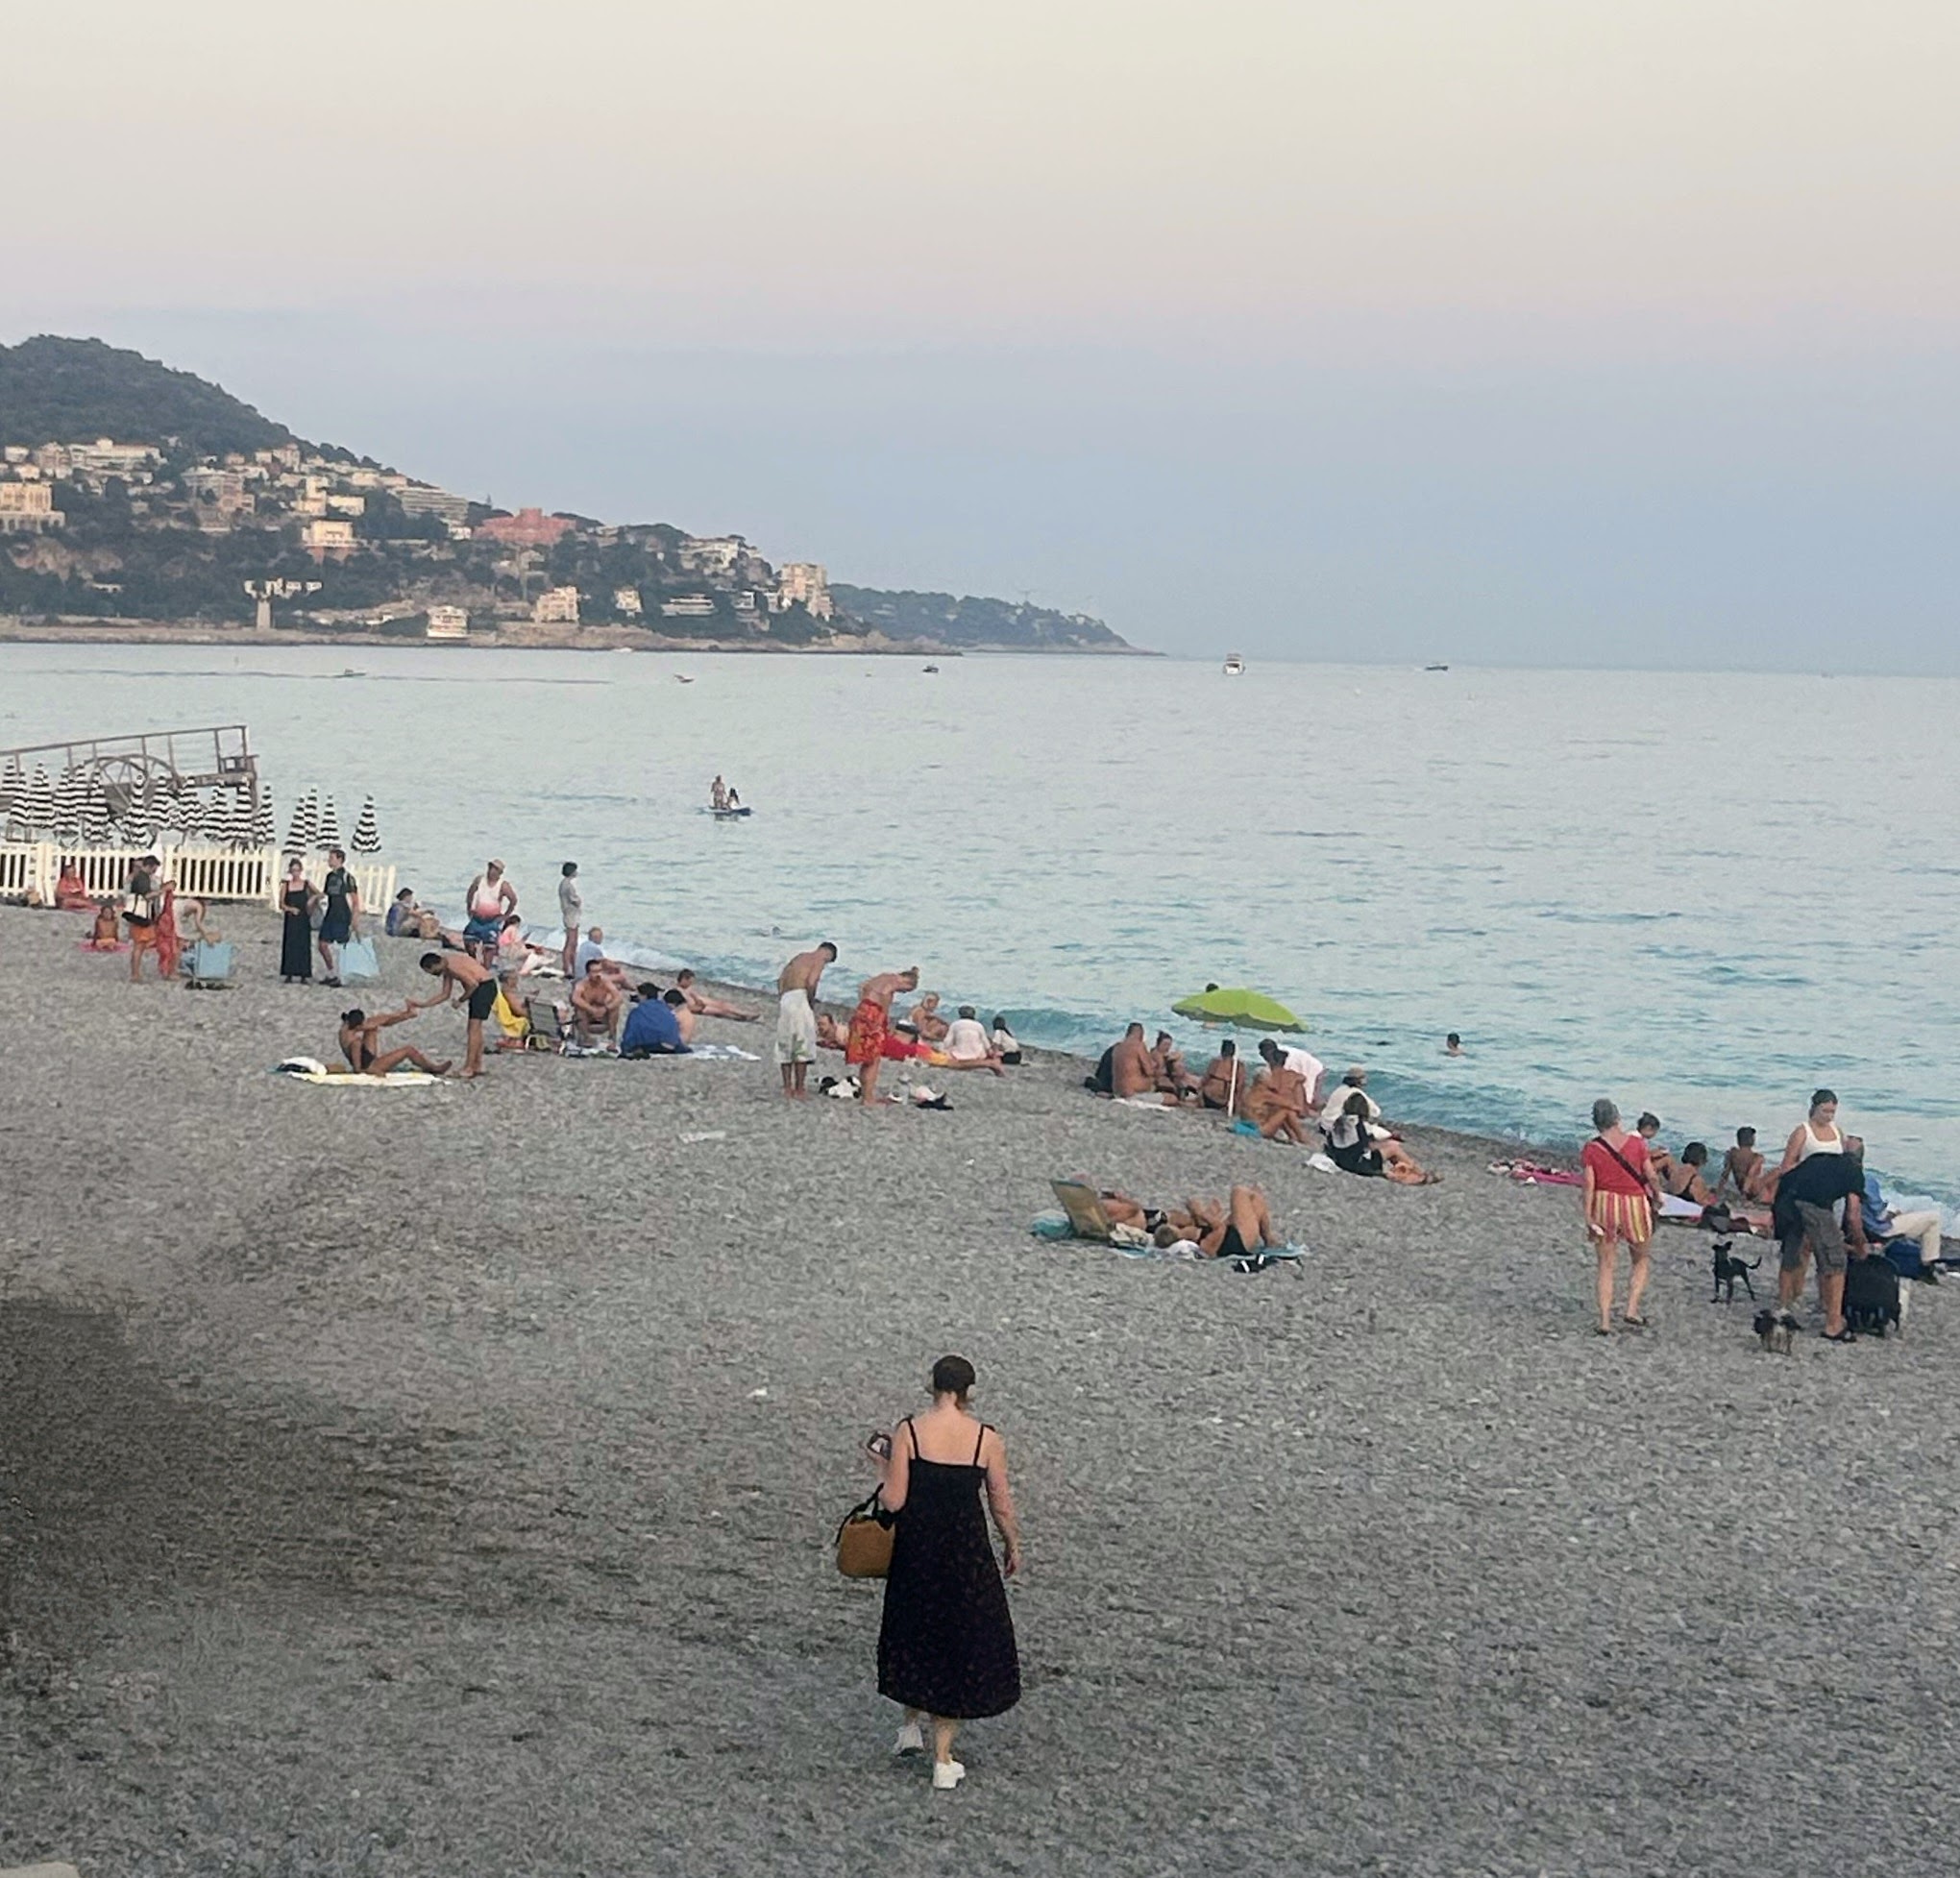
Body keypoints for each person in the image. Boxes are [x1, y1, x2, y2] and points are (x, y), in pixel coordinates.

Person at [875, 1354, 1021, 1791]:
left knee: (916, 1633)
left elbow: (894, 1501)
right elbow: (1000, 1503)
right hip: (965, 1554)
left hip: (916, 1551)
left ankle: (909, 1729)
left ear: (933, 1385)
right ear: (968, 1391)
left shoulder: (909, 1431)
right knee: (957, 1644)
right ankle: (943, 1759)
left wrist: (882, 1466)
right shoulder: (985, 1439)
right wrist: (1012, 1542)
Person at [1773, 1135, 1866, 1341]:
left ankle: (1783, 1308)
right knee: (1835, 1262)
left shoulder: (1821, 1158)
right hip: (1813, 1205)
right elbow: (1853, 1215)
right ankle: (1833, 1324)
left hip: (1786, 1200)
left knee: (1792, 1253)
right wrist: (1861, 1244)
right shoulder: (1854, 1171)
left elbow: (1787, 1175)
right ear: (1861, 1160)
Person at [1581, 1098, 1661, 1334]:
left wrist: (1588, 1216)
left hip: (1604, 1203)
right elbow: (1651, 1175)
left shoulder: (1592, 1148)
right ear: (1617, 1118)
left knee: (1606, 1265)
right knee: (1641, 1258)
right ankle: (1631, 1309)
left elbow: (1589, 1184)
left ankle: (1605, 1321)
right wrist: (1658, 1196)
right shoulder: (1637, 1144)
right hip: (1634, 1203)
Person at [1847, 1140, 1945, 1283]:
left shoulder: (1836, 1180)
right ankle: (1927, 1267)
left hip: (1854, 1228)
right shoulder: (1866, 1180)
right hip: (1877, 1230)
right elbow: (1880, 1215)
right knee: (1933, 1218)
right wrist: (1893, 1214)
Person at [416, 950, 498, 1079]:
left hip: (483, 987)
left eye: (432, 971)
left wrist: (461, 1000)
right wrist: (423, 1004)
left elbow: (473, 984)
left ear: (435, 964)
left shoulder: (452, 966)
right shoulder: (447, 966)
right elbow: (445, 994)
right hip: (485, 986)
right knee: (476, 1029)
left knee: (473, 1030)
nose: (434, 974)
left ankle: (468, 1067)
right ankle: (477, 1065)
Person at [847, 967, 919, 1106]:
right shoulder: (894, 981)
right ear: (907, 982)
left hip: (861, 1013)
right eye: (905, 991)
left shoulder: (882, 976)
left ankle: (865, 1095)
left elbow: (862, 986)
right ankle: (868, 1098)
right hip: (873, 1016)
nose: (902, 993)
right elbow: (886, 992)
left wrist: (864, 1000)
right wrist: (884, 1014)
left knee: (866, 1058)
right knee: (874, 1059)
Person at [775, 941, 834, 1098]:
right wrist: (810, 1001)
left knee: (786, 1045)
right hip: (800, 998)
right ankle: (799, 1088)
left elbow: (781, 979)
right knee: (801, 1045)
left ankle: (787, 1087)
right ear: (828, 954)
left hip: (786, 998)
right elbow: (811, 982)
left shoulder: (800, 957)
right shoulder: (819, 959)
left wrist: (783, 996)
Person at [337, 1005, 451, 1077]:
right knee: (408, 1050)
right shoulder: (355, 1043)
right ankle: (432, 1068)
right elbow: (358, 1069)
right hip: (372, 1065)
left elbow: (375, 1022)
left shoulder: (345, 1029)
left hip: (366, 1057)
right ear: (358, 1027)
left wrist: (401, 1015)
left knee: (373, 1024)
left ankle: (406, 1015)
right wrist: (375, 1072)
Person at [1241, 1038, 1312, 1142]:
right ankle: (1302, 1138)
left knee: (1282, 1109)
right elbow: (1291, 1106)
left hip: (1248, 1123)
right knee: (1286, 1110)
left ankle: (1294, 1136)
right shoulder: (1266, 1093)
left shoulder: (1252, 1090)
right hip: (1259, 1129)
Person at [1776, 1088, 1846, 1179]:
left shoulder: (1837, 1131)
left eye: (1832, 1112)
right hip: (1808, 1180)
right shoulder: (1802, 1132)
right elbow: (1786, 1166)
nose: (1829, 1116)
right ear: (1814, 1108)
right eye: (1825, 1111)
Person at [317, 845, 359, 987]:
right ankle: (331, 973)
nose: (329, 860)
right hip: (330, 913)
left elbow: (355, 900)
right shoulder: (330, 877)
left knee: (342, 946)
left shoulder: (347, 877)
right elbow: (326, 894)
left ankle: (341, 976)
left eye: (332, 858)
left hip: (343, 914)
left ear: (340, 859)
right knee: (322, 944)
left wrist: (355, 918)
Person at [1109, 1023, 1174, 1105]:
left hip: (1117, 1091)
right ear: (1140, 1033)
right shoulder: (1138, 1045)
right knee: (1172, 1098)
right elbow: (1149, 1071)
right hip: (1132, 1093)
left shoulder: (1117, 1047)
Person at [463, 860, 517, 956]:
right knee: (468, 940)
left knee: (489, 948)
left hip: (492, 920)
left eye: (496, 869)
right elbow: (470, 893)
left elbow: (513, 900)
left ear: (500, 873)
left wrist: (505, 916)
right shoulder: (480, 880)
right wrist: (469, 908)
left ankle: (485, 963)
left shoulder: (503, 885)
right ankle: (474, 959)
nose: (492, 871)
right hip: (477, 918)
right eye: (491, 868)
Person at [124, 854, 162, 982]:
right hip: (140, 914)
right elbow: (145, 896)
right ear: (150, 866)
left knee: (140, 944)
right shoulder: (143, 878)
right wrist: (159, 892)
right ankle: (135, 974)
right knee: (139, 945)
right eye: (154, 868)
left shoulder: (140, 877)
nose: (154, 871)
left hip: (138, 914)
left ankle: (136, 973)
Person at [622, 985, 690, 1056]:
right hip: (673, 1046)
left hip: (656, 1045)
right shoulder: (665, 1009)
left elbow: (631, 1032)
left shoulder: (638, 1011)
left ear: (644, 996)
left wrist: (625, 1047)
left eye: (639, 995)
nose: (637, 998)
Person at [570, 957, 624, 1046]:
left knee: (615, 1008)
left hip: (603, 1013)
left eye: (600, 971)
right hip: (588, 1015)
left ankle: (612, 1038)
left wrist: (606, 1008)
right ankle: (586, 1038)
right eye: (595, 972)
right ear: (588, 973)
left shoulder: (605, 982)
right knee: (580, 1009)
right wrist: (591, 1009)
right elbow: (575, 998)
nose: (598, 974)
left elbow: (618, 997)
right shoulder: (582, 984)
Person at [280, 859, 316, 984]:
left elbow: (320, 894)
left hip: (303, 918)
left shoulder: (307, 884)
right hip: (291, 918)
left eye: (297, 870)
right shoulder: (286, 885)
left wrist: (312, 900)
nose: (295, 873)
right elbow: (281, 904)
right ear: (290, 871)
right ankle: (289, 973)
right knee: (290, 945)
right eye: (293, 870)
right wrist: (290, 909)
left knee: (303, 945)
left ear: (301, 871)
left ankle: (303, 974)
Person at [674, 968, 757, 1021]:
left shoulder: (688, 988)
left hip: (700, 1004)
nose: (691, 984)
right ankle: (741, 1016)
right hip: (699, 1008)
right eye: (689, 982)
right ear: (684, 979)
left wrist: (698, 1000)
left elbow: (695, 997)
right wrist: (699, 1006)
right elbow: (685, 1007)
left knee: (723, 1004)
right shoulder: (678, 992)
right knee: (721, 1011)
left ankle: (743, 1013)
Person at [942, 1005, 1004, 1074]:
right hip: (977, 1055)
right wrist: (991, 1052)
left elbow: (947, 1043)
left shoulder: (955, 1025)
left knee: (948, 1051)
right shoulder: (979, 1025)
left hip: (958, 1056)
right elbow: (986, 1043)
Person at [1718, 1126, 1773, 1203]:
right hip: (1753, 1190)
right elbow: (1751, 1175)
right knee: (1777, 1172)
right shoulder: (1757, 1157)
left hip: (1741, 1188)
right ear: (1752, 1140)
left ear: (1738, 1140)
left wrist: (1720, 1189)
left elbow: (1725, 1174)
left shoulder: (1732, 1154)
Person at [1665, 1141, 1718, 1205]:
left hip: (1671, 1202)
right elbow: (1703, 1202)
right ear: (1702, 1160)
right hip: (1682, 1207)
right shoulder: (1696, 1179)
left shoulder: (1674, 1170)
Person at [1150, 1032, 1199, 1099]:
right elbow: (1159, 1071)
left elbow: (1180, 1055)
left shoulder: (1165, 1054)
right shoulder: (1156, 1054)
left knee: (1194, 1080)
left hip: (1172, 1076)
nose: (1167, 1047)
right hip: (1162, 1078)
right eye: (1165, 1044)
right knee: (1189, 1080)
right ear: (1158, 1044)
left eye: (1169, 1045)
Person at [1632, 1113, 1675, 1188]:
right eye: (1655, 1131)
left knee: (1663, 1157)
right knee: (1667, 1160)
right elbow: (1636, 1159)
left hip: (1635, 1169)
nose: (1655, 1135)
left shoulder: (1633, 1136)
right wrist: (1652, 1154)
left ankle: (1670, 1184)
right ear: (1648, 1128)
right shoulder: (1637, 1140)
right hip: (1636, 1173)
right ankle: (1674, 1185)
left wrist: (1654, 1152)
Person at [1199, 1039, 1242, 1111]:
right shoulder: (1238, 1066)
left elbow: (1204, 1080)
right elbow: (1240, 1086)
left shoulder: (1215, 1062)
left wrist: (1200, 1094)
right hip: (1223, 1101)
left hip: (1208, 1096)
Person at [556, 862, 583, 977]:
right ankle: (568, 967)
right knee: (571, 942)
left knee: (572, 941)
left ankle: (571, 965)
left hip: (569, 914)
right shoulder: (569, 885)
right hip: (571, 914)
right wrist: (579, 901)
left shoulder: (564, 884)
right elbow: (574, 899)